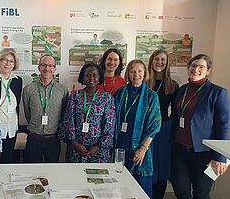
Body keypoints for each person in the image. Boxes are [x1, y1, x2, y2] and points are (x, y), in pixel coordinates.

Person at [171, 54, 230, 199]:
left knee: (201, 193)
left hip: (204, 153)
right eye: (193, 65)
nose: (196, 69)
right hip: (179, 151)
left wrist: (220, 157)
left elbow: (223, 125)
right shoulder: (182, 90)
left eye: (201, 67)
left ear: (208, 71)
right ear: (188, 68)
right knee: (181, 191)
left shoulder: (217, 92)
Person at [115, 59, 161, 198]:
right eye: (132, 71)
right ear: (128, 74)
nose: (136, 74)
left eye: (139, 71)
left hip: (140, 146)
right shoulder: (121, 92)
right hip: (121, 143)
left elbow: (155, 124)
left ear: (145, 73)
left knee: (140, 188)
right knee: (120, 185)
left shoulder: (151, 96)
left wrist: (143, 149)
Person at [59, 63, 115, 163]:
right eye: (88, 75)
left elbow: (109, 125)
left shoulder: (107, 98)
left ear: (99, 78)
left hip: (99, 152)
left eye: (94, 75)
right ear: (83, 78)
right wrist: (75, 143)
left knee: (97, 178)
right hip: (76, 150)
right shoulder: (75, 96)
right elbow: (68, 120)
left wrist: (98, 146)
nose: (91, 78)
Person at [22, 54, 69, 163]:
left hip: (53, 140)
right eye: (43, 65)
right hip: (33, 139)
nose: (47, 68)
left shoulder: (62, 90)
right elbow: (27, 113)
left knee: (52, 173)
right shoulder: (28, 89)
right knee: (32, 174)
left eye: (50, 66)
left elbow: (64, 114)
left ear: (54, 69)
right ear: (39, 68)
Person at [146, 50, 179, 199]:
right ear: (151, 61)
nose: (159, 62)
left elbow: (176, 111)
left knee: (162, 167)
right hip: (146, 129)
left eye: (163, 60)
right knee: (148, 163)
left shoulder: (172, 85)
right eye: (156, 59)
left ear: (167, 63)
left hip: (164, 130)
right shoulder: (145, 83)